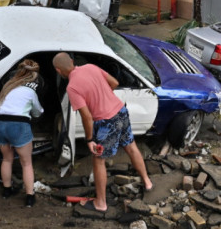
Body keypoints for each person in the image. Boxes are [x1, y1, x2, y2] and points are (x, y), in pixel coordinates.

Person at [52, 52, 152, 213]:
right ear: (72, 61)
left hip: (107, 122)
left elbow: (86, 116)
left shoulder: (72, 87)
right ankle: (147, 182)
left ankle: (101, 203)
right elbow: (114, 82)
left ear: (58, 70)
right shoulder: (90, 67)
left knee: (98, 160)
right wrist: (104, 97)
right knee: (131, 146)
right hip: (120, 111)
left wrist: (89, 139)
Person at [0, 59, 44, 207]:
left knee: (7, 159)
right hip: (18, 125)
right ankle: (29, 197)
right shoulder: (30, 91)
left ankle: (6, 190)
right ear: (34, 75)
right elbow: (37, 111)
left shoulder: (8, 87)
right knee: (26, 163)